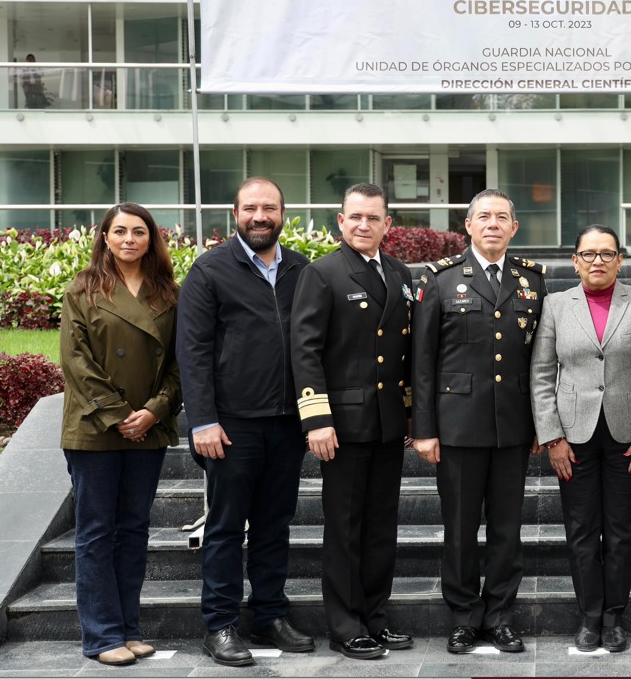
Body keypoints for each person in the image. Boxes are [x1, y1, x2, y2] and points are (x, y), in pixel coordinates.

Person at [177, 177, 314, 667]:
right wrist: (203, 421)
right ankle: (220, 624)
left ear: (283, 213)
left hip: (286, 423)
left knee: (276, 524)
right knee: (226, 526)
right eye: (251, 208)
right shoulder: (210, 270)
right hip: (231, 426)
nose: (261, 216)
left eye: (270, 208)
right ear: (235, 213)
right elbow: (192, 352)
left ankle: (269, 614)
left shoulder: (302, 269)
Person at [411, 188, 548, 655]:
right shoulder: (441, 280)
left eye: (502, 217)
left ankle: (501, 616)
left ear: (514, 228)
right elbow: (422, 362)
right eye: (483, 216)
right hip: (457, 427)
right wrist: (424, 428)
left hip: (513, 426)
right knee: (461, 528)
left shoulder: (532, 281)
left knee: (508, 531)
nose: (492, 223)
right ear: (467, 226)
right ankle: (465, 616)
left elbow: (539, 361)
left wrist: (540, 425)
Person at [530, 225, 631, 654]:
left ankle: (614, 618)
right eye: (588, 254)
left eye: (606, 253)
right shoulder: (555, 305)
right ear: (575, 261)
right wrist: (552, 437)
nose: (597, 261)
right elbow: (540, 375)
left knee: (622, 532)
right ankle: (590, 616)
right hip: (573, 438)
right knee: (581, 531)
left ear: (619, 259)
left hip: (628, 437)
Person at [289, 183, 415, 660]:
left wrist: (408, 413)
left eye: (374, 218)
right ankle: (345, 625)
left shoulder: (400, 274)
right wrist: (316, 418)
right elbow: (305, 350)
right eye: (355, 217)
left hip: (385, 423)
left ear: (388, 225)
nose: (364, 225)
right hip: (339, 424)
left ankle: (374, 617)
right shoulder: (321, 274)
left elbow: (404, 352)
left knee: (381, 526)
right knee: (344, 528)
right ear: (340, 222)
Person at [59, 203, 181, 666]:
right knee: (96, 532)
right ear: (104, 238)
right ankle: (100, 635)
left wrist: (153, 411)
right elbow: (76, 361)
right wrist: (119, 413)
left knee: (133, 529)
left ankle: (128, 628)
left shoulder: (169, 293)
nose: (129, 239)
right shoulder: (82, 290)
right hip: (94, 428)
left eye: (139, 231)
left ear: (151, 239)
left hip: (147, 429)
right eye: (120, 231)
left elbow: (178, 363)